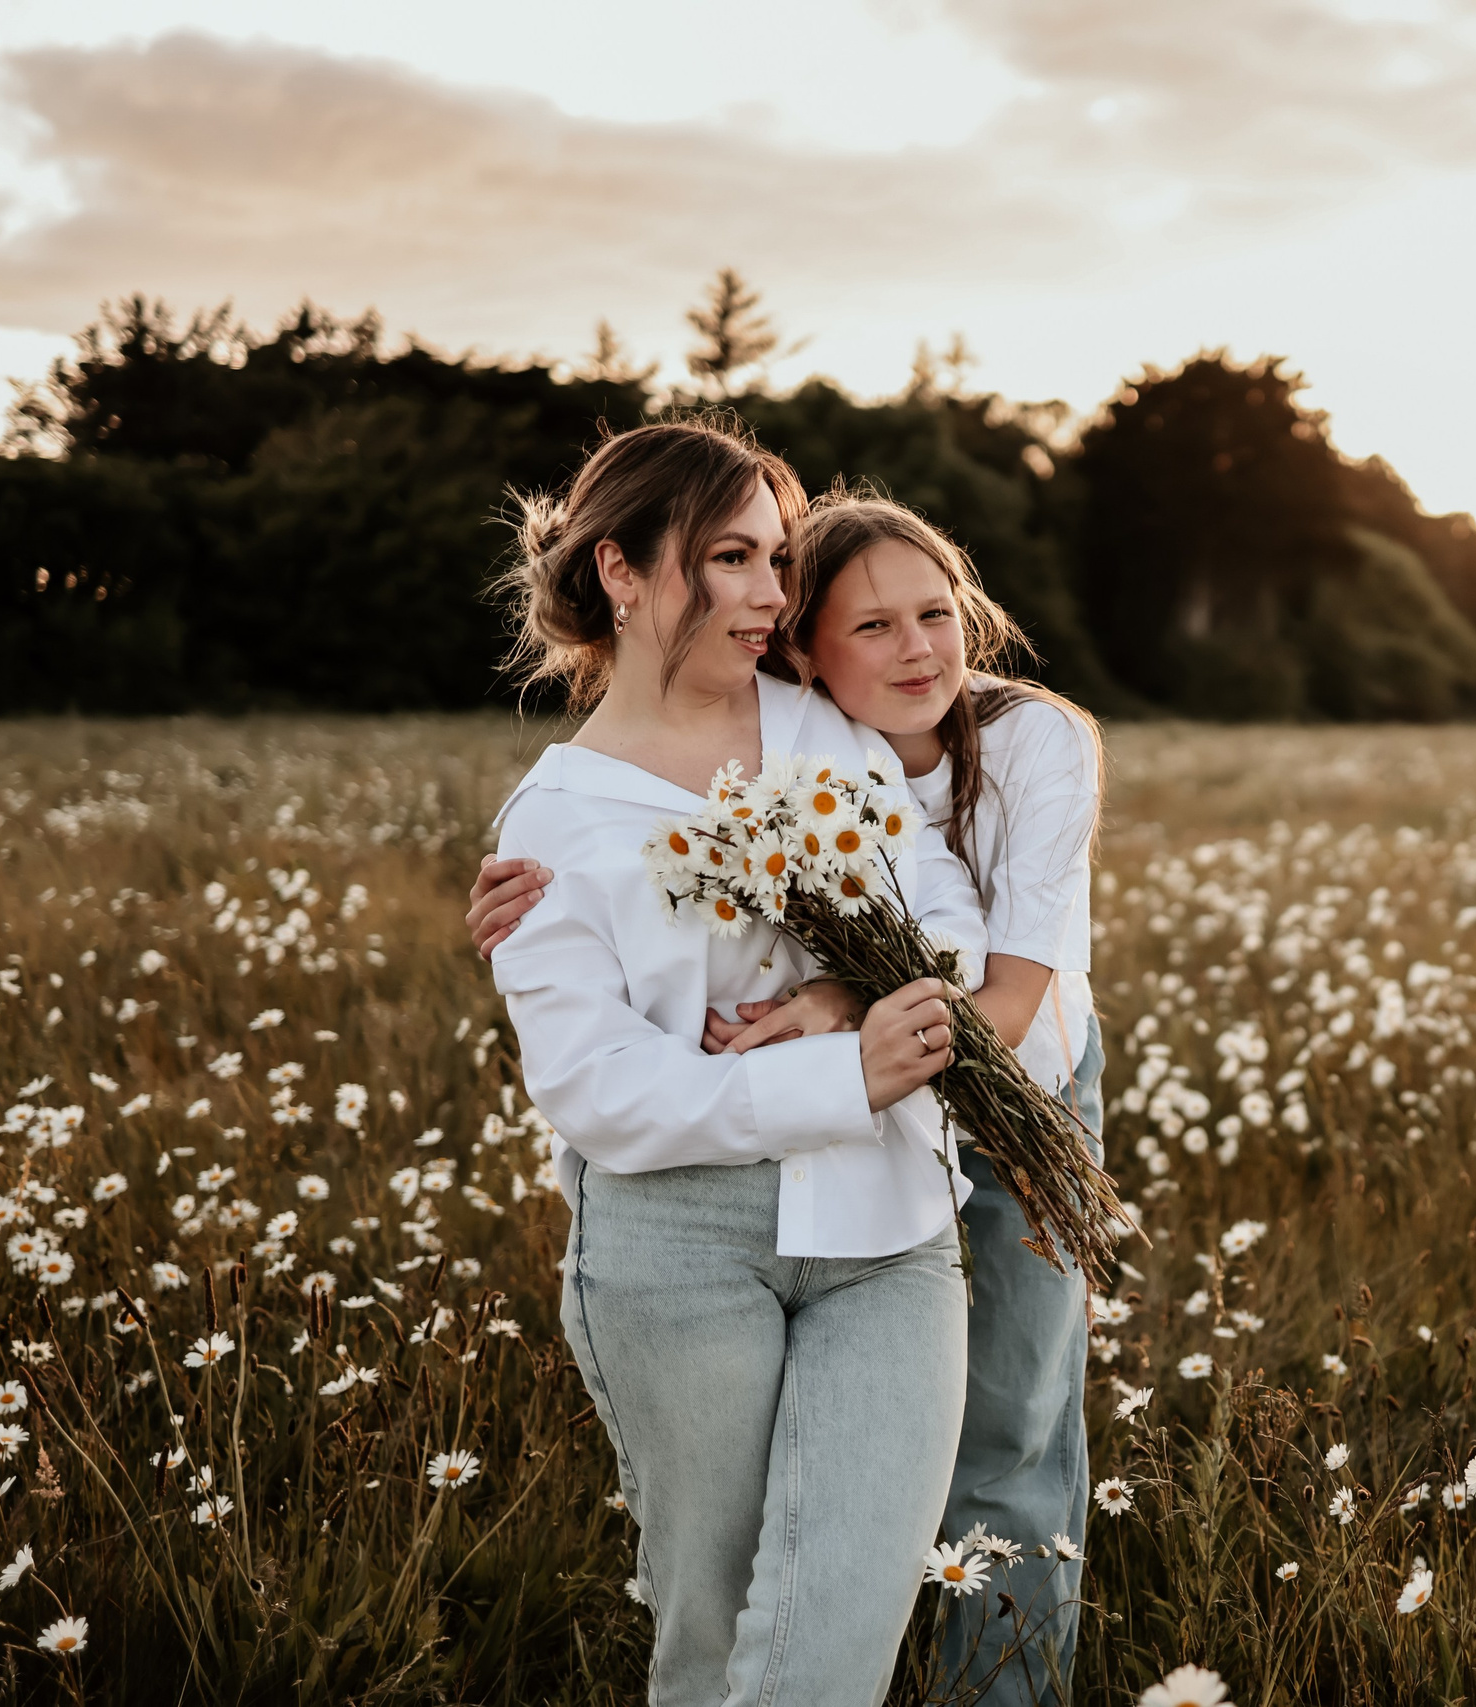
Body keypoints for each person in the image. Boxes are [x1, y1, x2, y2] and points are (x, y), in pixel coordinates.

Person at [473, 484, 1106, 1707]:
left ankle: (999, 1689)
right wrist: (540, 940)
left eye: (936, 615)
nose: (917, 647)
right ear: (808, 651)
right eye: (870, 626)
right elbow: (619, 947)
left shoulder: (1023, 740)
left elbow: (1010, 991)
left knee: (1012, 1421)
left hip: (1015, 1073)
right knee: (743, 1579)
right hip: (839, 1123)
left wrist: (839, 1017)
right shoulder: (766, 731)